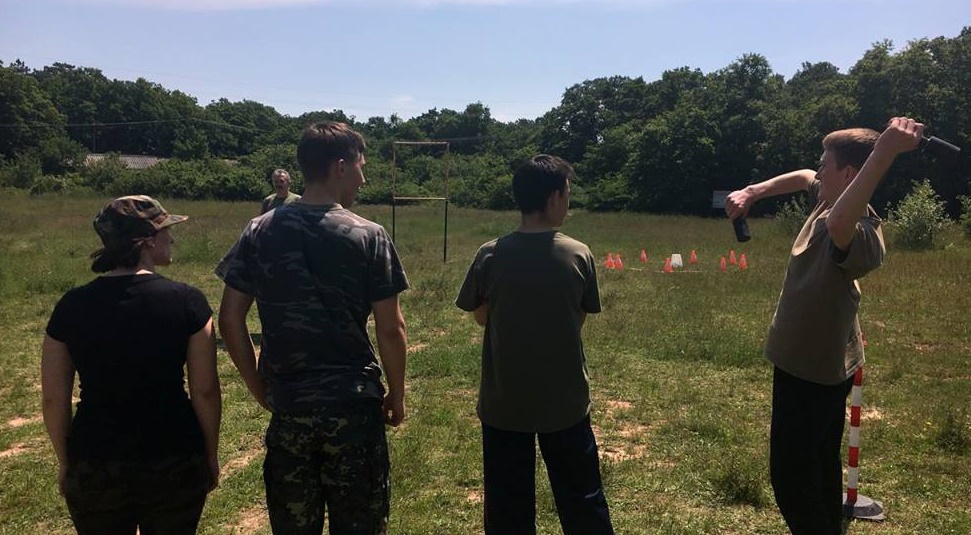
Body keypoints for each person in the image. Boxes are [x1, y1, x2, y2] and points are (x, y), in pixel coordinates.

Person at [725, 117, 925, 534]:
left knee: (792, 477)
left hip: (814, 372)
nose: (818, 171)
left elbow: (839, 228)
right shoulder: (827, 200)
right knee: (819, 464)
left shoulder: (861, 231)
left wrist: (886, 150)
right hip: (805, 364)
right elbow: (803, 176)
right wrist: (752, 191)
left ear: (849, 175)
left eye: (825, 164)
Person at [216, 121, 408, 535]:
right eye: (360, 167)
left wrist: (257, 385)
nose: (363, 178)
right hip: (353, 406)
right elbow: (391, 328)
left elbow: (230, 318)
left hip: (289, 405)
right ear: (340, 167)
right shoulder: (370, 235)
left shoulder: (260, 230)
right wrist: (397, 393)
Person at [41, 195, 221, 535]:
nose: (172, 239)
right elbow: (206, 390)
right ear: (148, 240)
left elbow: (53, 398)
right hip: (173, 455)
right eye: (167, 231)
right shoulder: (188, 302)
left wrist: (66, 460)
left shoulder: (71, 306)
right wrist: (210, 454)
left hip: (95, 458)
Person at [456, 154, 615, 535]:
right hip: (566, 401)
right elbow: (578, 317)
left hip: (505, 402)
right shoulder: (577, 254)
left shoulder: (490, 254)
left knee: (507, 503)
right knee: (582, 498)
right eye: (567, 194)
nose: (568, 202)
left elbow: (481, 317)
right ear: (553, 197)